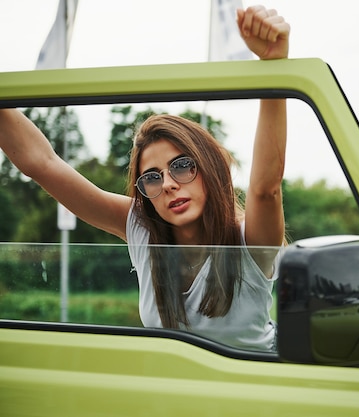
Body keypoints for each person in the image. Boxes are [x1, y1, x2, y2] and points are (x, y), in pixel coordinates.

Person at [0, 5, 290, 351]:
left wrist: (274, 69)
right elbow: (42, 163)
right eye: (152, 177)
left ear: (210, 170)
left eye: (182, 166)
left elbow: (265, 189)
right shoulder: (142, 229)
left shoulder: (249, 242)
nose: (167, 183)